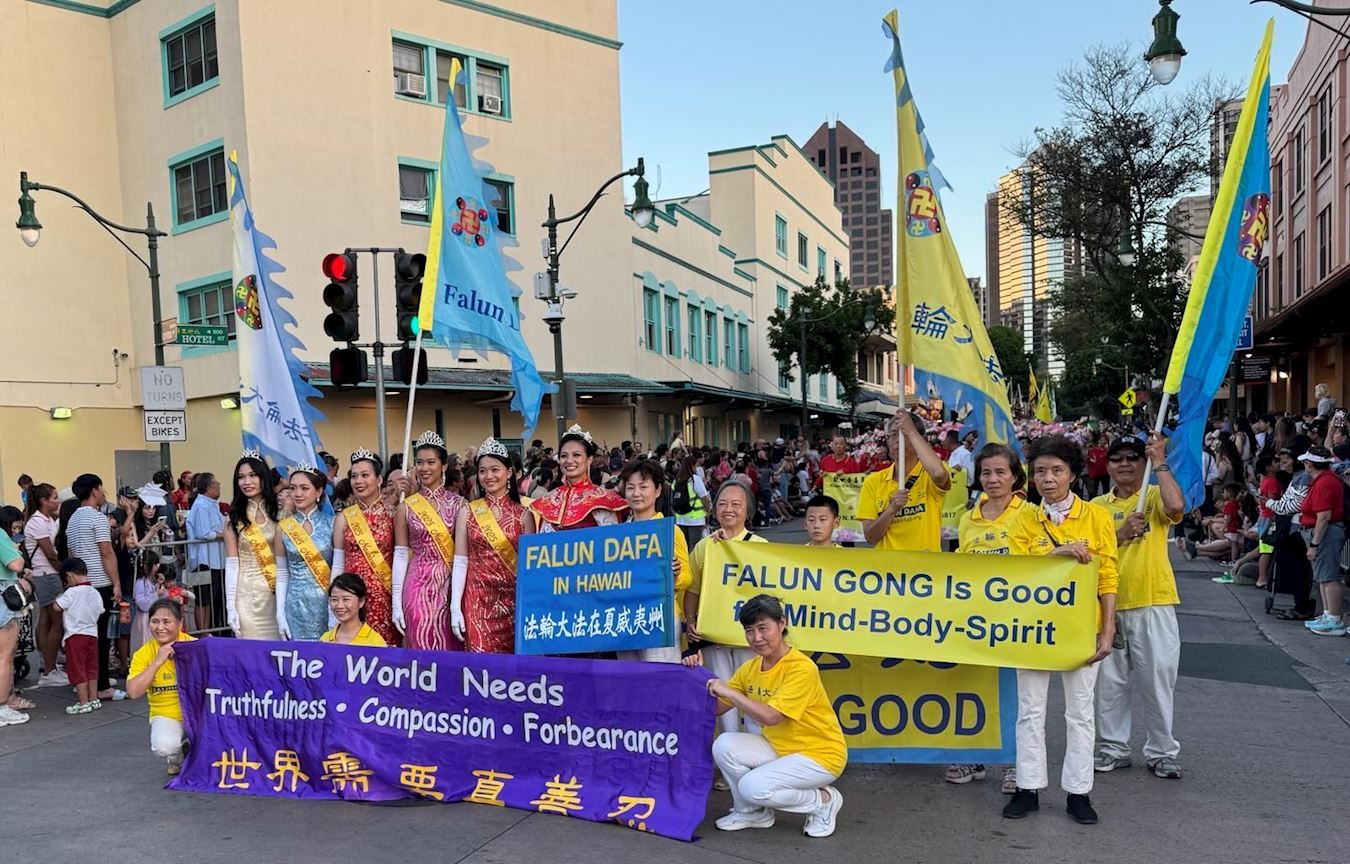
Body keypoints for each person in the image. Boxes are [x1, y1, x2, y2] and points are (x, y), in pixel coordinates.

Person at [1002, 435, 1118, 825]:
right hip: (1032, 630)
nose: (1047, 479)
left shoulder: (1097, 517)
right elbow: (1014, 573)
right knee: (1029, 710)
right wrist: (1055, 553)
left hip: (1081, 630)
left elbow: (1108, 576)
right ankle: (1028, 787)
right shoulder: (1023, 518)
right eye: (1039, 471)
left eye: (1056, 470)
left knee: (1081, 713)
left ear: (1072, 474)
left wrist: (1108, 629)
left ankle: (1078, 792)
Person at [705, 594, 846, 838]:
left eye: (763, 628)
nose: (756, 638)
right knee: (724, 744)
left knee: (752, 786)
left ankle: (823, 800)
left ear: (781, 624)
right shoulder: (750, 668)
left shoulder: (801, 668)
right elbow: (717, 707)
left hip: (820, 755)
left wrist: (728, 691)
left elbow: (772, 717)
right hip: (779, 748)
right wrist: (694, 673)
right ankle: (752, 812)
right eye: (749, 630)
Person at [1091, 434, 1185, 780]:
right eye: (1118, 458)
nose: (1126, 463)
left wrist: (1160, 461)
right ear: (1108, 465)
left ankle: (1162, 751)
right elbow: (1087, 551)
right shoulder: (1096, 507)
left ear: (1143, 463)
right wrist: (1119, 533)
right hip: (1107, 606)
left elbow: (1176, 508)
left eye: (1133, 457)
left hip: (1153, 601)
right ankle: (1114, 748)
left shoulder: (1156, 494)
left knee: (1158, 679)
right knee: (1109, 683)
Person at [954, 442, 1029, 792]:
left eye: (1001, 472)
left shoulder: (1030, 515)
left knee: (1017, 694)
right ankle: (977, 756)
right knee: (978, 689)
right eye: (986, 472)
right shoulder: (967, 519)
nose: (993, 479)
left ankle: (1016, 763)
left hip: (1018, 621)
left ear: (1015, 476)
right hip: (977, 621)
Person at [683, 479, 770, 739]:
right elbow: (693, 590)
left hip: (751, 640)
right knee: (722, 697)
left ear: (748, 510)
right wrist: (691, 622)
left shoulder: (762, 546)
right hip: (715, 639)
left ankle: (756, 760)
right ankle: (729, 761)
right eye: (722, 503)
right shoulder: (705, 546)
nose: (728, 509)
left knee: (754, 696)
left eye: (736, 504)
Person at [451, 438, 536, 653]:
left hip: (514, 603)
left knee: (513, 673)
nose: (488, 476)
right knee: (481, 669)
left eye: (495, 469)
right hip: (477, 601)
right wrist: (455, 606)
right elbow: (461, 560)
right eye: (482, 471)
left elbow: (531, 568)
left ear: (509, 472)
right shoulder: (468, 512)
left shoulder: (523, 515)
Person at [394, 432, 466, 650]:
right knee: (420, 646)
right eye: (419, 463)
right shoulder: (406, 506)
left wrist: (456, 604)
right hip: (416, 587)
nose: (424, 468)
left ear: (443, 465)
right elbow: (400, 553)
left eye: (431, 462)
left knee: (451, 649)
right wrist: (396, 601)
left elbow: (463, 557)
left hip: (451, 586)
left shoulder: (460, 504)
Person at [615, 459, 690, 663]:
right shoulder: (618, 533)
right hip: (625, 618)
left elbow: (687, 576)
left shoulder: (669, 531)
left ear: (657, 490)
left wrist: (676, 574)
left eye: (643, 487)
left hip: (660, 617)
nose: (636, 493)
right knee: (629, 681)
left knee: (660, 681)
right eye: (630, 488)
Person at [66, 474, 125, 702]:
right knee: (101, 637)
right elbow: (106, 553)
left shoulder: (72, 520)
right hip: (99, 584)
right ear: (94, 491)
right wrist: (117, 583)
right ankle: (101, 686)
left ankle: (88, 682)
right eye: (101, 489)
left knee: (85, 635)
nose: (103, 493)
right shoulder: (98, 519)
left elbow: (72, 555)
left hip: (79, 584)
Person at [333, 448, 399, 646]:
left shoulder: (394, 514)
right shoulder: (344, 518)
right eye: (354, 476)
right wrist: (335, 602)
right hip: (351, 600)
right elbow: (338, 563)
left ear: (379, 479)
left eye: (365, 475)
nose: (358, 481)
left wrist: (398, 601)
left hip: (385, 598)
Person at [858, 411, 951, 552]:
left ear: (920, 438)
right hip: (888, 569)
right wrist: (891, 510)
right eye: (893, 435)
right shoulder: (873, 482)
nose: (897, 440)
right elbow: (870, 537)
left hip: (925, 568)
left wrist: (912, 431)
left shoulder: (929, 473)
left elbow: (939, 474)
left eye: (903, 434)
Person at [126, 598, 196, 775]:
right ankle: (178, 757)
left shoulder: (195, 646)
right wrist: (157, 662)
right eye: (155, 621)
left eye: (167, 622)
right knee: (164, 746)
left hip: (198, 713)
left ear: (180, 623)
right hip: (166, 714)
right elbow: (133, 692)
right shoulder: (143, 654)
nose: (160, 627)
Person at [274, 463, 335, 641]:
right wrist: (280, 612)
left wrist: (334, 607)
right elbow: (282, 572)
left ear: (318, 492)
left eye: (304, 488)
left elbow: (339, 566)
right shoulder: (283, 528)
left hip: (326, 604)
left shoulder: (332, 523)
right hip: (295, 605)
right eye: (293, 488)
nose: (297, 494)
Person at [223, 453, 281, 639]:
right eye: (241, 477)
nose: (246, 481)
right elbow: (232, 564)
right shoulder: (233, 518)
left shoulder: (281, 512)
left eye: (252, 475)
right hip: (246, 594)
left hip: (277, 593)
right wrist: (230, 605)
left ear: (263, 477)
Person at [531, 425, 628, 532]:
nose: (569, 460)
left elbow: (610, 541)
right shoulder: (548, 500)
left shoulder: (604, 498)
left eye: (576, 455)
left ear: (589, 459)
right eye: (564, 456)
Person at [1298, 446, 1348, 636]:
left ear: (1310, 464)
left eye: (1305, 462)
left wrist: (1314, 544)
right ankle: (1329, 614)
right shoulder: (1324, 480)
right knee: (1323, 576)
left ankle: (1334, 618)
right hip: (1323, 532)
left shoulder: (1325, 482)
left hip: (1325, 534)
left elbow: (1324, 516)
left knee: (1328, 577)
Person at [23, 482, 67, 688]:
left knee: (46, 619)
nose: (58, 501)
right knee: (56, 622)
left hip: (46, 574)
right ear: (44, 500)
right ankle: (49, 670)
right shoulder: (37, 522)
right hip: (47, 574)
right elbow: (49, 553)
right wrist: (64, 571)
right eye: (55, 497)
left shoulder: (48, 519)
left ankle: (48, 664)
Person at [55, 558, 103, 714]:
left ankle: (83, 702)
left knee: (78, 669)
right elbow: (100, 610)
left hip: (75, 635)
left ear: (70, 576)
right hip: (92, 634)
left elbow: (57, 607)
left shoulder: (71, 592)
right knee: (91, 668)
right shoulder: (95, 592)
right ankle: (93, 699)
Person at [0, 512, 35, 726]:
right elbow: (15, 565)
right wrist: (18, 554)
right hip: (3, 596)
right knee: (5, 655)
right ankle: (3, 705)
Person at [185, 472, 226, 633]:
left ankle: (209, 631)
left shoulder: (211, 504)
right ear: (209, 488)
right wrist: (225, 534)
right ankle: (203, 632)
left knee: (211, 599)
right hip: (202, 560)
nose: (219, 487)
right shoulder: (201, 506)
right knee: (202, 599)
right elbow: (204, 532)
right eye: (217, 484)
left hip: (215, 560)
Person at [321, 572, 388, 646]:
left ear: (361, 602)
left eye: (346, 599)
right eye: (334, 599)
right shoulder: (325, 640)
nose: (339, 606)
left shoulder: (376, 642)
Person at [671, 453, 711, 550]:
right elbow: (704, 497)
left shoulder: (677, 480)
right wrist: (708, 510)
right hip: (696, 519)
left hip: (681, 518)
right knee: (694, 546)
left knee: (683, 547)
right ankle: (692, 565)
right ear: (692, 466)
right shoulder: (694, 479)